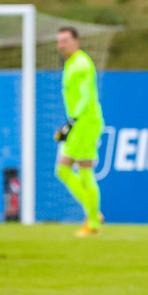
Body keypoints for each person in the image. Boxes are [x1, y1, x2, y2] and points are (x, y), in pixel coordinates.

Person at [54, 26, 105, 237]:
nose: (61, 45)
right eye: (59, 41)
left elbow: (86, 96)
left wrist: (71, 121)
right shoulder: (71, 63)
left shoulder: (81, 63)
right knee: (68, 170)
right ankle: (93, 214)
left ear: (75, 41)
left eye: (65, 40)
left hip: (85, 124)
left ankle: (93, 220)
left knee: (75, 170)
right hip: (79, 124)